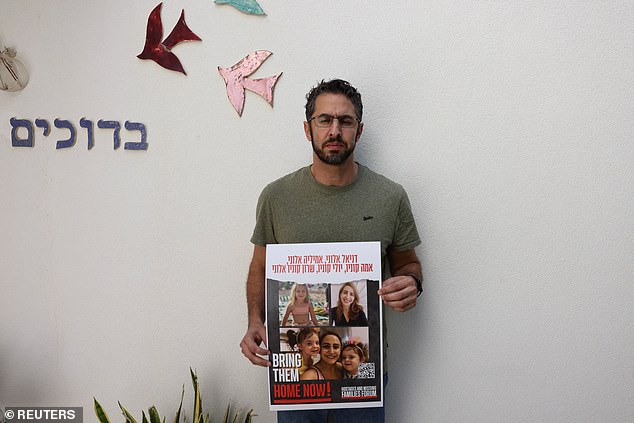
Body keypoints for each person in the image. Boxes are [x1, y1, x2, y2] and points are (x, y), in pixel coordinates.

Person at [239, 79, 423, 423]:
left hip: (362, 381)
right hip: (294, 381)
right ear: (308, 129)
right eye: (324, 120)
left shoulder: (390, 196)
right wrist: (254, 320)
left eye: (345, 121)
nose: (335, 130)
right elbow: (259, 269)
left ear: (359, 129)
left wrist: (411, 285)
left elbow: (408, 264)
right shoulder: (276, 197)